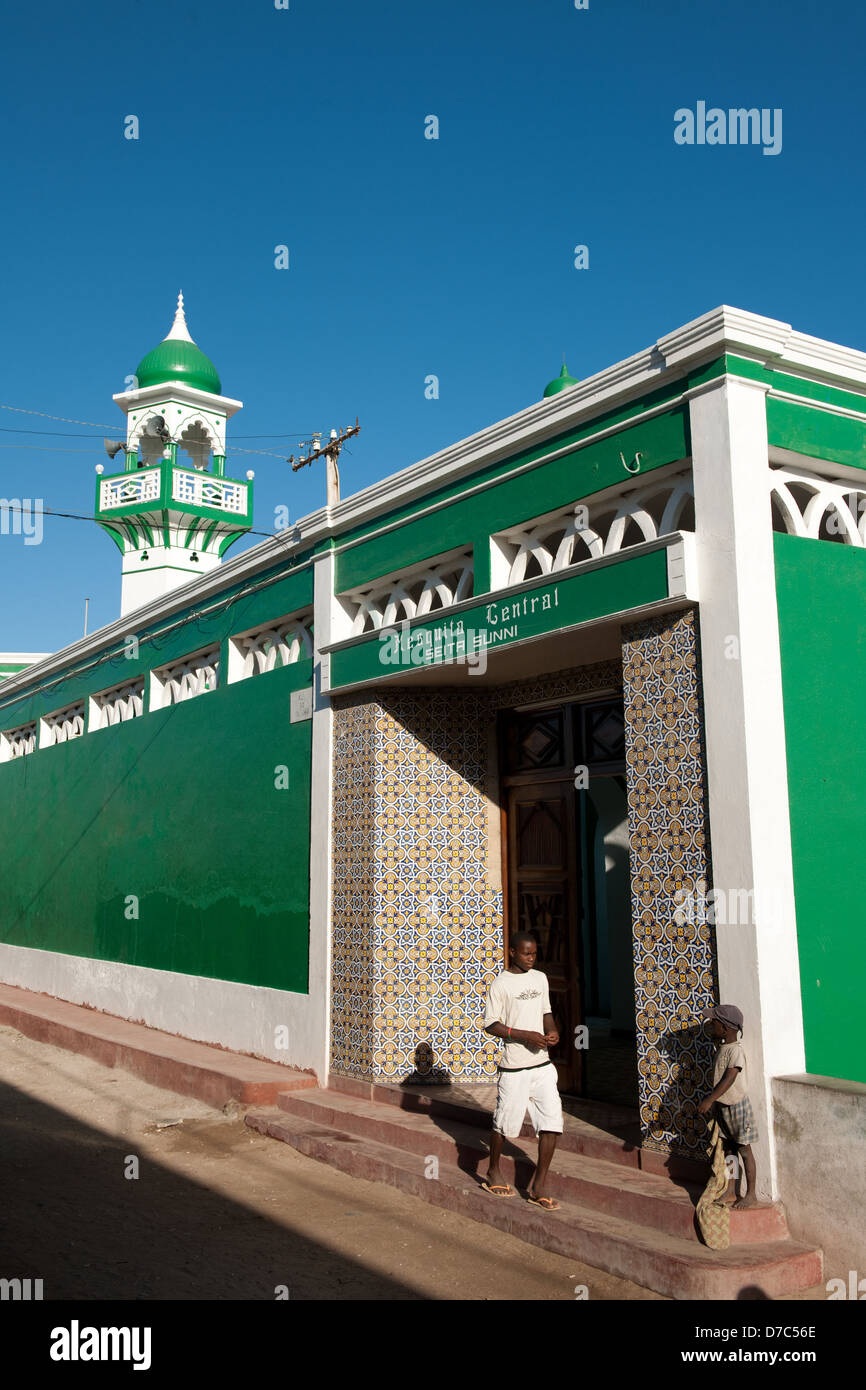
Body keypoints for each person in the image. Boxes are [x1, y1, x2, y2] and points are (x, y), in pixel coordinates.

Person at [481, 931, 563, 1210]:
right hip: (515, 1067)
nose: (531, 958)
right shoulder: (500, 985)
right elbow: (491, 1024)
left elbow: (546, 1012)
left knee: (552, 1122)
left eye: (535, 954)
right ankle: (493, 1170)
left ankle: (539, 1184)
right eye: (526, 953)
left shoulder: (540, 978)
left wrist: (552, 1031)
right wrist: (524, 1035)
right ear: (513, 952)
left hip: (542, 1065)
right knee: (504, 1123)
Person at [697, 1003, 759, 1210]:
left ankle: (751, 1194)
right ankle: (731, 1191)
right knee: (730, 1150)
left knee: (744, 1150)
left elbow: (729, 1079)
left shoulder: (735, 1052)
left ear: (724, 1027)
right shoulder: (724, 1047)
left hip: (736, 1106)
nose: (710, 1024)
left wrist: (710, 1099)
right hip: (724, 1107)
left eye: (713, 1022)